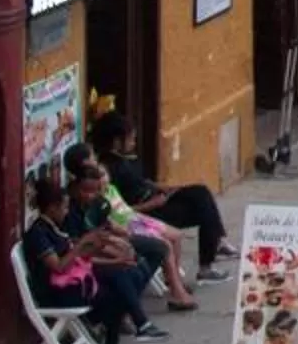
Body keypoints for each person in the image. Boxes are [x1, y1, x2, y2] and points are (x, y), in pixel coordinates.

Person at [91, 112, 230, 280]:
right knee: (203, 209)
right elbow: (119, 211)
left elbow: (142, 182)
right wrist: (153, 204)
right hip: (145, 213)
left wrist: (166, 188)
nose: (133, 143)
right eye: (130, 139)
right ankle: (209, 258)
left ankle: (215, 242)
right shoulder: (107, 171)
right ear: (116, 141)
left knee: (200, 192)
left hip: (155, 199)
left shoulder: (125, 158)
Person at [24, 173, 140, 344]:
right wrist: (80, 246)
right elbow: (59, 266)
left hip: (70, 285)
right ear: (52, 208)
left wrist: (98, 245)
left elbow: (78, 259)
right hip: (55, 293)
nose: (67, 212)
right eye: (64, 208)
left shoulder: (55, 228)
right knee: (114, 298)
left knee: (117, 285)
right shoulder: (38, 233)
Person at [68, 147, 194, 314]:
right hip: (109, 240)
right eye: (89, 190)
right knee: (158, 248)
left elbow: (110, 223)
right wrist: (118, 246)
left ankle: (172, 284)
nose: (95, 193)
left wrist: (119, 239)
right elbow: (84, 243)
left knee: (167, 242)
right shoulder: (75, 210)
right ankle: (161, 296)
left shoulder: (100, 198)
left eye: (101, 182)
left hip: (119, 231)